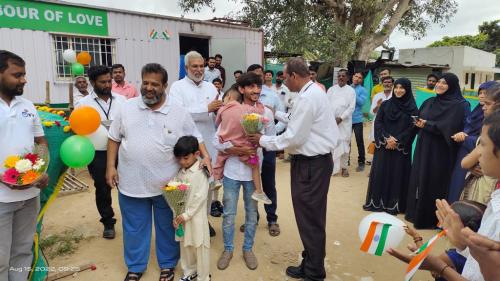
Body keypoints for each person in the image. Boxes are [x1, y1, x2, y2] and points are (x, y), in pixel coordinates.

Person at [106, 63, 211, 281]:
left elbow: (196, 137)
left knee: (167, 225)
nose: (149, 87)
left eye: (155, 84)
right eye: (145, 82)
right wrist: (110, 166)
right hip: (131, 182)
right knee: (134, 228)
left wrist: (206, 156)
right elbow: (114, 138)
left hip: (168, 184)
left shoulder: (178, 111)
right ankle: (135, 267)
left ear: (164, 86)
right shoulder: (126, 108)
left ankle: (167, 265)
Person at [248, 57, 339, 281]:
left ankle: (315, 272)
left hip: (311, 165)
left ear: (294, 76)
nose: (283, 81)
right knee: (309, 216)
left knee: (310, 218)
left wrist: (262, 140)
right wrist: (273, 111)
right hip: (311, 164)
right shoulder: (310, 93)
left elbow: (294, 138)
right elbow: (295, 119)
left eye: (284, 76)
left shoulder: (309, 97)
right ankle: (310, 263)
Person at [215, 74, 276, 271]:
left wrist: (259, 139)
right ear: (241, 89)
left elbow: (272, 138)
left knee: (251, 214)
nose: (255, 90)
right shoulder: (231, 110)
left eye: (258, 86)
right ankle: (228, 249)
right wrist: (235, 150)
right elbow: (217, 140)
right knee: (229, 214)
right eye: (250, 87)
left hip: (252, 173)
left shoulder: (265, 111)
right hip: (232, 172)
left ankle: (248, 249)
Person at [0, 50, 50, 281]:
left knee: (22, 251)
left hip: (30, 195)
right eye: (17, 75)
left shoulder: (28, 105)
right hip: (1, 199)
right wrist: (5, 179)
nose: (24, 80)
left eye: (24, 74)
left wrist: (40, 170)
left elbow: (40, 142)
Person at [405, 73, 470, 229]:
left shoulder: (461, 105)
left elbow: (452, 127)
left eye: (444, 83)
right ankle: (416, 214)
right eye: (439, 82)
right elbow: (418, 119)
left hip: (441, 151)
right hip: (423, 146)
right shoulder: (429, 101)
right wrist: (418, 123)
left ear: (452, 86)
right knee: (420, 179)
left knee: (435, 181)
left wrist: (428, 124)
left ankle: (432, 219)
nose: (439, 85)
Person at [169, 51, 223, 223]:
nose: (199, 70)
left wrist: (219, 110)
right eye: (195, 66)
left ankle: (204, 220)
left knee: (206, 183)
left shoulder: (211, 87)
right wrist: (206, 108)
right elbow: (178, 114)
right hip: (187, 146)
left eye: (201, 66)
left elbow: (217, 114)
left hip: (208, 143)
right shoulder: (177, 87)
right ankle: (184, 219)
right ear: (186, 68)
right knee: (187, 184)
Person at [75, 65, 126, 239]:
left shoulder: (122, 100)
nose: (107, 85)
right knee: (103, 187)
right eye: (102, 82)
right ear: (92, 82)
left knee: (127, 185)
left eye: (108, 81)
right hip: (97, 152)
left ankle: (131, 219)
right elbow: (78, 128)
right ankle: (108, 222)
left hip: (122, 150)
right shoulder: (83, 104)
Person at [363, 78, 418, 214]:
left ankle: (395, 204)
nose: (398, 90)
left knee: (397, 174)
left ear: (408, 90)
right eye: (397, 87)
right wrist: (387, 138)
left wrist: (397, 140)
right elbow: (378, 123)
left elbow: (412, 128)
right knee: (381, 172)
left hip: (400, 149)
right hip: (384, 146)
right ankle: (378, 202)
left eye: (402, 88)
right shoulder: (386, 105)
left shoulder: (412, 108)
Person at [213, 82, 272, 204]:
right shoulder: (246, 110)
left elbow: (217, 123)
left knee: (219, 159)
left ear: (228, 97)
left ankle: (217, 179)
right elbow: (258, 112)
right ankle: (259, 191)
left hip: (228, 146)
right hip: (247, 149)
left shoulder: (222, 110)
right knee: (254, 165)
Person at [448, 81, 497, 203]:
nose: (481, 96)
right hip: (470, 160)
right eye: (480, 92)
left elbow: (484, 144)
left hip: (484, 169)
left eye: (485, 93)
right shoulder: (477, 112)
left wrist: (466, 138)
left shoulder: (494, 123)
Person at [172, 136, 210, 281]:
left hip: (196, 218)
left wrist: (186, 215)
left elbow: (200, 198)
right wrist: (176, 215)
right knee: (185, 246)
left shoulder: (202, 172)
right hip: (182, 218)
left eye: (186, 158)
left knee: (200, 247)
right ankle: (189, 272)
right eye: (179, 159)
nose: (182, 162)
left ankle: (203, 276)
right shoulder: (180, 173)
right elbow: (174, 194)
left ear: (197, 154)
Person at [327, 69, 356, 177]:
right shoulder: (331, 89)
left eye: (343, 76)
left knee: (344, 145)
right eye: (339, 76)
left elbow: (351, 107)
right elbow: (326, 104)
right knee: (332, 144)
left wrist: (341, 118)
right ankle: (332, 168)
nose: (341, 78)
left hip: (345, 122)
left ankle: (344, 168)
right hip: (332, 122)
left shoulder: (351, 91)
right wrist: (331, 119)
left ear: (347, 78)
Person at [351, 71, 368, 172]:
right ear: (353, 77)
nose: (357, 78)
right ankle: (346, 160)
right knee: (345, 141)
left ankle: (361, 162)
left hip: (357, 120)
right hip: (346, 119)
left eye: (360, 77)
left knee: (359, 141)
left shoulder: (363, 90)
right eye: (356, 76)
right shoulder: (347, 87)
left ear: (362, 80)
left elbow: (361, 102)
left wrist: (353, 92)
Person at [369, 76, 394, 143]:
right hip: (378, 123)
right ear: (382, 84)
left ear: (392, 84)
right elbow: (372, 112)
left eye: (389, 82)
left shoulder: (395, 96)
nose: (387, 84)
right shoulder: (377, 96)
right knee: (377, 144)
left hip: (391, 124)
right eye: (385, 82)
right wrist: (377, 106)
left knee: (389, 144)